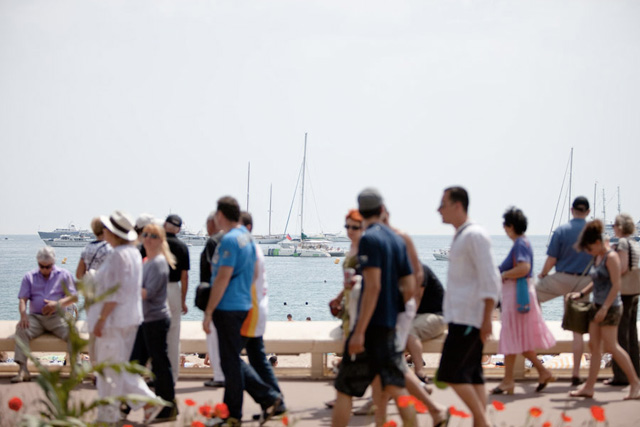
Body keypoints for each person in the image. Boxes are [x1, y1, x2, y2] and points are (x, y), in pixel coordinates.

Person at [332, 188, 417, 427]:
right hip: (389, 326)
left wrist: (359, 330)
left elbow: (374, 287)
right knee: (396, 389)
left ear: (361, 212)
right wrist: (392, 307)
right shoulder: (396, 240)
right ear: (381, 209)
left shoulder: (369, 239)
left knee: (345, 391)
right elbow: (410, 287)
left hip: (370, 328)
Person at [202, 197, 281, 425]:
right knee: (231, 361)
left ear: (220, 215)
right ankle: (231, 412)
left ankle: (266, 399)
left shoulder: (229, 241)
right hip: (244, 305)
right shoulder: (248, 240)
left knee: (231, 361)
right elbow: (255, 275)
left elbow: (222, 278)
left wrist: (208, 311)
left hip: (228, 307)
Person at [90, 210, 162, 424]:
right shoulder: (132, 253)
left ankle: (126, 409)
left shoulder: (118, 255)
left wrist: (101, 319)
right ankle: (115, 412)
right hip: (128, 318)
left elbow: (115, 292)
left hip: (114, 320)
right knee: (116, 368)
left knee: (109, 369)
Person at [436, 186, 500, 427]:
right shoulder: (462, 235)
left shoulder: (475, 235)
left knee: (449, 373)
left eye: (443, 204)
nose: (438, 209)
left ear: (457, 205)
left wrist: (486, 319)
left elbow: (490, 280)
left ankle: (483, 421)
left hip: (469, 318)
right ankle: (480, 422)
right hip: (461, 316)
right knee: (473, 374)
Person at [568, 219, 640, 400]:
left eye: (589, 248)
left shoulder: (612, 257)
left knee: (612, 347)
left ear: (598, 243)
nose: (588, 252)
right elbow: (596, 280)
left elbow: (616, 285)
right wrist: (581, 293)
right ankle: (589, 387)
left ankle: (635, 383)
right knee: (594, 347)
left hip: (611, 307)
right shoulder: (597, 256)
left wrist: (605, 308)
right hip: (597, 305)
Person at [492, 207, 556, 395]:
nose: (504, 229)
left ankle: (512, 380)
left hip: (517, 297)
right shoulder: (524, 243)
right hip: (520, 295)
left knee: (512, 337)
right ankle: (512, 379)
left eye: (505, 225)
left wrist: (503, 274)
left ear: (510, 226)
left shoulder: (520, 244)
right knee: (514, 338)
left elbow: (524, 267)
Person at [536, 196, 593, 385]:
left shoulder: (561, 230)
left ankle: (537, 330)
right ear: (588, 212)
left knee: (531, 296)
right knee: (578, 332)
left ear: (571, 210)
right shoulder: (593, 232)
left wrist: (543, 274)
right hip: (584, 282)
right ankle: (576, 373)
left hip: (561, 278)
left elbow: (551, 259)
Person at [126, 223, 177, 422]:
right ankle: (128, 405)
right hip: (146, 320)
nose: (147, 238)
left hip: (155, 320)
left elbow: (148, 293)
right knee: (137, 365)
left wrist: (125, 288)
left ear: (161, 240)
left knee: (158, 366)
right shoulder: (148, 261)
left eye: (153, 236)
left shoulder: (158, 263)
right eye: (145, 234)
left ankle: (167, 407)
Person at [239, 211, 288, 421]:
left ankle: (270, 397)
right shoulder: (254, 248)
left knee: (231, 357)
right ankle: (277, 401)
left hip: (250, 309)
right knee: (258, 358)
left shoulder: (246, 248)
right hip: (256, 308)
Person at [12, 247, 77, 383]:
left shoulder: (64, 275)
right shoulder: (29, 277)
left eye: (48, 266)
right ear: (38, 263)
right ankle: (23, 370)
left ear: (53, 263)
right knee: (21, 329)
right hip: (36, 317)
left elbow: (74, 298)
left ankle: (75, 370)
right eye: (42, 266)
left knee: (73, 332)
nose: (45, 270)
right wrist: (23, 315)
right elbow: (22, 299)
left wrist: (56, 304)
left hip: (58, 317)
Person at [606, 213, 640, 386]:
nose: (613, 228)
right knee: (632, 334)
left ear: (619, 227)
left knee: (620, 335)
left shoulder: (622, 243)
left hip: (624, 294)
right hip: (634, 292)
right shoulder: (634, 243)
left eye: (614, 225)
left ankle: (621, 376)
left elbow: (623, 267)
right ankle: (635, 371)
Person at [405, 263, 446, 383]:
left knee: (409, 331)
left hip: (438, 316)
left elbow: (415, 298)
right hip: (419, 316)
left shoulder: (418, 270)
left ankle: (419, 372)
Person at [164, 214, 190, 384]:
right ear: (179, 229)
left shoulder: (155, 243)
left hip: (154, 289)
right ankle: (172, 375)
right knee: (173, 334)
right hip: (173, 288)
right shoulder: (182, 247)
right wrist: (183, 300)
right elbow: (184, 277)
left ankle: (155, 372)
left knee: (153, 332)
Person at [200, 211, 225, 388]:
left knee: (214, 337)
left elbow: (211, 271)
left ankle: (219, 375)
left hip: (214, 296)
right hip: (228, 297)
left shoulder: (213, 242)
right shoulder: (229, 240)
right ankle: (222, 373)